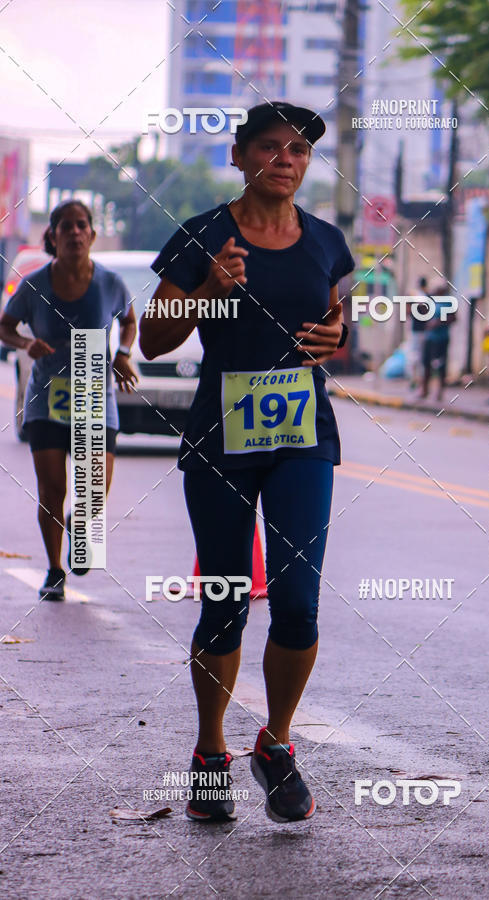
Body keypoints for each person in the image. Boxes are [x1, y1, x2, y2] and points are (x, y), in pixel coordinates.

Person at [140, 101, 354, 824]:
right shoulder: (203, 236)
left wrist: (336, 337)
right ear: (239, 157)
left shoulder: (326, 241)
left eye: (298, 150)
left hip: (302, 438)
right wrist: (206, 293)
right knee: (226, 602)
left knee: (297, 601)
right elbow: (153, 344)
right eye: (270, 147)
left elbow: (334, 318)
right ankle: (209, 752)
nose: (285, 160)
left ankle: (277, 744)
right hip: (220, 442)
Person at [0, 200, 138, 600]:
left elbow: (129, 321)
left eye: (82, 226)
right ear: (54, 236)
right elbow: (5, 326)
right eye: (66, 227)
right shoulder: (34, 285)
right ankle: (54, 569)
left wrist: (124, 354)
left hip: (95, 395)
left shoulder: (111, 283)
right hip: (47, 397)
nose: (75, 233)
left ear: (92, 235)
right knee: (52, 490)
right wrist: (26, 342)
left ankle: (82, 524)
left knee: (95, 489)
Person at [420, 284, 455, 402]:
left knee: (440, 365)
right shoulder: (432, 301)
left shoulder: (448, 302)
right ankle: (424, 390)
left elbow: (453, 318)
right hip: (429, 337)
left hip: (441, 338)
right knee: (426, 363)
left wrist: (439, 322)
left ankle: (439, 392)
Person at [409, 276, 428, 391]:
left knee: (417, 357)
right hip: (419, 330)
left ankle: (417, 380)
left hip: (420, 330)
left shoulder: (420, 297)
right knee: (417, 358)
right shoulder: (419, 296)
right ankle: (416, 380)